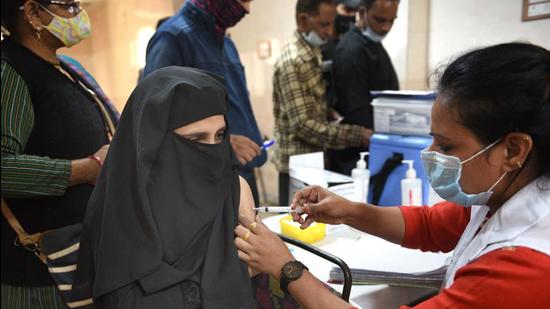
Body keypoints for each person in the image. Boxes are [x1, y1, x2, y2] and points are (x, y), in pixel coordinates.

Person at [235, 43, 550, 308]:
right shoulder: (503, 195)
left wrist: (287, 268)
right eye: (433, 138)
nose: (431, 153)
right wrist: (348, 210)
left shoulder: (526, 268)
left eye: (447, 145)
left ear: (513, 150)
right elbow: (432, 225)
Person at [75, 67, 257, 308]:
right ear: (156, 140)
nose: (212, 151)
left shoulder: (234, 190)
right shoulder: (124, 204)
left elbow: (253, 266)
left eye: (220, 136)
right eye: (196, 139)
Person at [1, 0, 117, 307]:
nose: (79, 14)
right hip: (39, 274)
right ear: (32, 13)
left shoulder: (64, 68)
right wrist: (88, 168)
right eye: (68, 5)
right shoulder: (9, 72)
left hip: (79, 256)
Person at [142, 0, 266, 205]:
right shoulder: (173, 38)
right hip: (205, 186)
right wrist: (222, 145)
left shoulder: (227, 44)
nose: (247, 10)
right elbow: (153, 121)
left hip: (242, 176)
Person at [272, 0, 373, 206]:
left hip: (312, 162)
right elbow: (303, 125)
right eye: (323, 24)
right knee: (297, 229)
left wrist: (327, 111)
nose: (329, 32)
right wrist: (358, 135)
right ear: (303, 20)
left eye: (330, 24)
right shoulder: (294, 61)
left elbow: (306, 102)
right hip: (297, 167)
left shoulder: (312, 52)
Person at [328, 0, 399, 175]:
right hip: (357, 158)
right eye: (380, 20)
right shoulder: (351, 52)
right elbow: (356, 113)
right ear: (362, 13)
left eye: (392, 21)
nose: (386, 27)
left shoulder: (373, 44)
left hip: (376, 148)